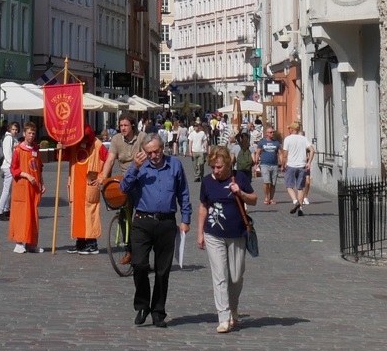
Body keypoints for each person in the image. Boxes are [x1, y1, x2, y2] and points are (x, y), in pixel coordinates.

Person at [118, 133, 190, 327]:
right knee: (139, 264)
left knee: (162, 271)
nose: (153, 156)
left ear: (163, 148)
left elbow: (183, 192)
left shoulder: (174, 165)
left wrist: (185, 219)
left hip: (166, 223)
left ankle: (158, 311)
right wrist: (135, 168)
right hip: (143, 221)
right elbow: (124, 188)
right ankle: (142, 304)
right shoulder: (140, 167)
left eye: (156, 151)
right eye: (149, 152)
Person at [197, 143, 257, 333]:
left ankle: (233, 307)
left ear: (228, 165)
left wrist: (240, 192)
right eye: (213, 167)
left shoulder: (239, 177)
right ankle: (223, 317)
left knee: (236, 276)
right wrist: (200, 233)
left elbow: (254, 199)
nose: (215, 171)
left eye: (219, 167)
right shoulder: (207, 181)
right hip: (214, 233)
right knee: (220, 276)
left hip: (237, 233)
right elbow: (203, 206)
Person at [66, 127, 111, 253]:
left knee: (90, 214)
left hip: (90, 184)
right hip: (76, 185)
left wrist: (102, 177)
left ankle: (92, 243)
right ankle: (80, 241)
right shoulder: (74, 144)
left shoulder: (97, 145)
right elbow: (64, 155)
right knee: (77, 214)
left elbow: (108, 160)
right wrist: (60, 146)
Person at [7, 125, 42, 253]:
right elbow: (14, 169)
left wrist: (41, 182)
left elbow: (39, 167)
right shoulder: (18, 150)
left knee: (33, 214)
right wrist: (26, 175)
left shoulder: (36, 149)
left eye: (33, 133)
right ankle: (19, 242)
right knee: (21, 213)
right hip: (22, 186)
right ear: (24, 134)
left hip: (33, 188)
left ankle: (31, 242)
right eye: (29, 133)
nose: (31, 135)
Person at [282, 121, 312, 215]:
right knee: (300, 188)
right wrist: (309, 162)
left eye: (289, 128)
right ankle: (300, 208)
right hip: (302, 165)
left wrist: (283, 164)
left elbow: (285, 155)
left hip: (291, 165)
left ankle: (295, 202)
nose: (289, 130)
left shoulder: (287, 139)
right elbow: (312, 150)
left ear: (292, 129)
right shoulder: (303, 139)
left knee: (289, 186)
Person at [0, 121, 18, 214]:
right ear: (9, 129)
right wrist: (13, 165)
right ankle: (0, 211)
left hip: (9, 166)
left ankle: (5, 209)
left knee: (9, 189)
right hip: (9, 166)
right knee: (6, 189)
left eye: (16, 129)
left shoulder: (12, 138)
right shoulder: (9, 138)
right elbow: (8, 154)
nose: (15, 131)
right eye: (13, 129)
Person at [257, 127, 281, 207]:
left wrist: (283, 163)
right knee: (266, 182)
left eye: (273, 132)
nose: (272, 133)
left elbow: (280, 154)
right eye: (270, 132)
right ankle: (266, 197)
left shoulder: (276, 143)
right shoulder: (262, 142)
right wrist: (255, 163)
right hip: (265, 164)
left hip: (274, 165)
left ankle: (271, 199)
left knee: (273, 184)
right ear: (266, 133)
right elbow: (258, 153)